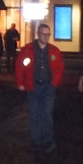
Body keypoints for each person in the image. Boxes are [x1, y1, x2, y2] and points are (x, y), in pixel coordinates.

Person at [15, 21, 64, 154]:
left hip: (48, 87)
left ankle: (47, 140)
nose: (46, 37)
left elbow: (59, 67)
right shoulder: (28, 50)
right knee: (35, 114)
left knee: (47, 114)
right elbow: (20, 66)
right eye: (43, 34)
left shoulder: (54, 51)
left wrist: (55, 82)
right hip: (33, 86)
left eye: (48, 35)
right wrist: (20, 82)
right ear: (38, 34)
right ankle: (36, 141)